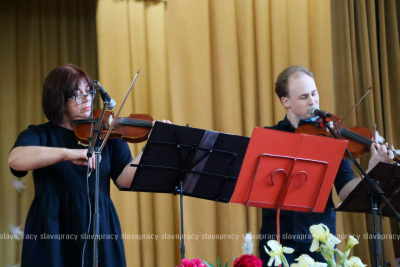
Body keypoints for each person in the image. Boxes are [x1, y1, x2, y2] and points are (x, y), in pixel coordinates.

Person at [8, 64, 170, 267]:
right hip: (53, 226)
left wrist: (153, 145)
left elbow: (126, 180)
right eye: (77, 95)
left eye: (89, 92)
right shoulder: (40, 134)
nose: (87, 99)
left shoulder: (105, 133)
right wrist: (68, 154)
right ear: (58, 100)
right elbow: (16, 160)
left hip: (99, 225)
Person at [259, 65, 394, 264]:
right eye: (304, 97)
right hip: (277, 237)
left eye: (314, 93)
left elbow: (345, 190)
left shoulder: (332, 137)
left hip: (319, 237)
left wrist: (372, 169)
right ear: (285, 101)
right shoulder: (270, 137)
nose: (313, 101)